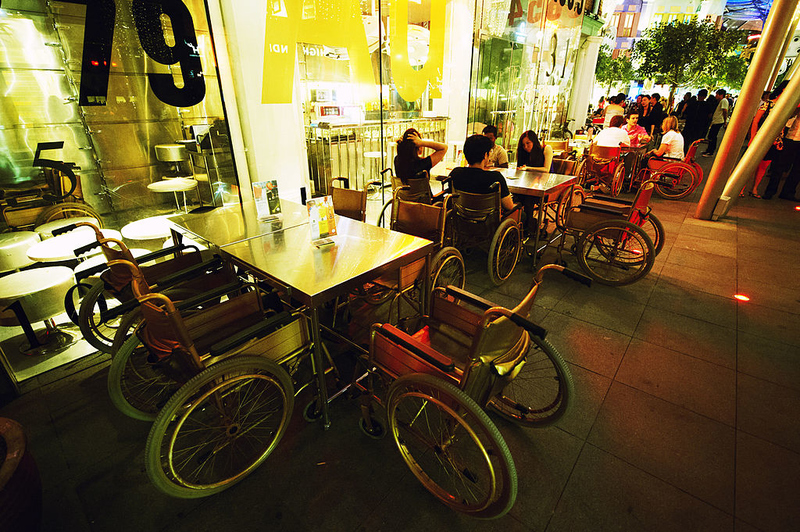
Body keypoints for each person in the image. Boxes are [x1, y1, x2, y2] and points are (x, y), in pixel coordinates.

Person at [742, 82, 788, 198]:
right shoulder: (768, 104)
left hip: (774, 141)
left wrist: (780, 141)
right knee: (751, 164)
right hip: (760, 138)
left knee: (764, 165)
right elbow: (755, 120)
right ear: (782, 90)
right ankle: (741, 187)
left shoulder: (786, 107)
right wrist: (752, 137)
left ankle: (754, 188)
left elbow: (782, 126)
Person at [449, 134, 516, 212]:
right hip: (489, 222)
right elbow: (509, 206)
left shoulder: (456, 173)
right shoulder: (495, 178)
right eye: (489, 152)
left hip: (461, 219)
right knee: (522, 215)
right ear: (485, 155)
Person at [762, 103, 800, 201]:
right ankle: (770, 191)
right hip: (790, 137)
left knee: (797, 169)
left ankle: (788, 192)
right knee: (779, 166)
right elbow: (789, 115)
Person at [702, 89, 729, 157]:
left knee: (712, 136)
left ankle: (711, 151)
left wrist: (725, 121)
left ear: (721, 95)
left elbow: (725, 111)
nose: (715, 96)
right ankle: (709, 150)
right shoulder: (721, 101)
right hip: (716, 120)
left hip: (719, 121)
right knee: (711, 135)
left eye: (717, 94)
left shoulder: (724, 101)